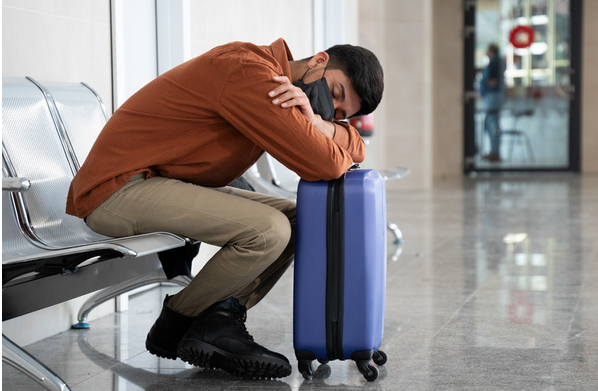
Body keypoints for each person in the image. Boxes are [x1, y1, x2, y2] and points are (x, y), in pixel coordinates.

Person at [66, 38, 384, 379]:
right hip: (117, 190)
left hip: (162, 182)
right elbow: (325, 163)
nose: (331, 109)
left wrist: (321, 125)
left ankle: (216, 322)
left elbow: (354, 148)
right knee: (268, 230)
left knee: (301, 217)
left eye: (340, 114)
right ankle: (179, 324)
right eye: (335, 93)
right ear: (318, 62)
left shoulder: (281, 87)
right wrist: (326, 132)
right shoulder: (252, 73)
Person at [479, 43, 506, 162]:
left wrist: (484, 84)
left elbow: (492, 80)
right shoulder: (496, 61)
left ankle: (495, 152)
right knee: (491, 122)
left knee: (492, 122)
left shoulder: (495, 61)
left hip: (493, 96)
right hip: (492, 96)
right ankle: (493, 151)